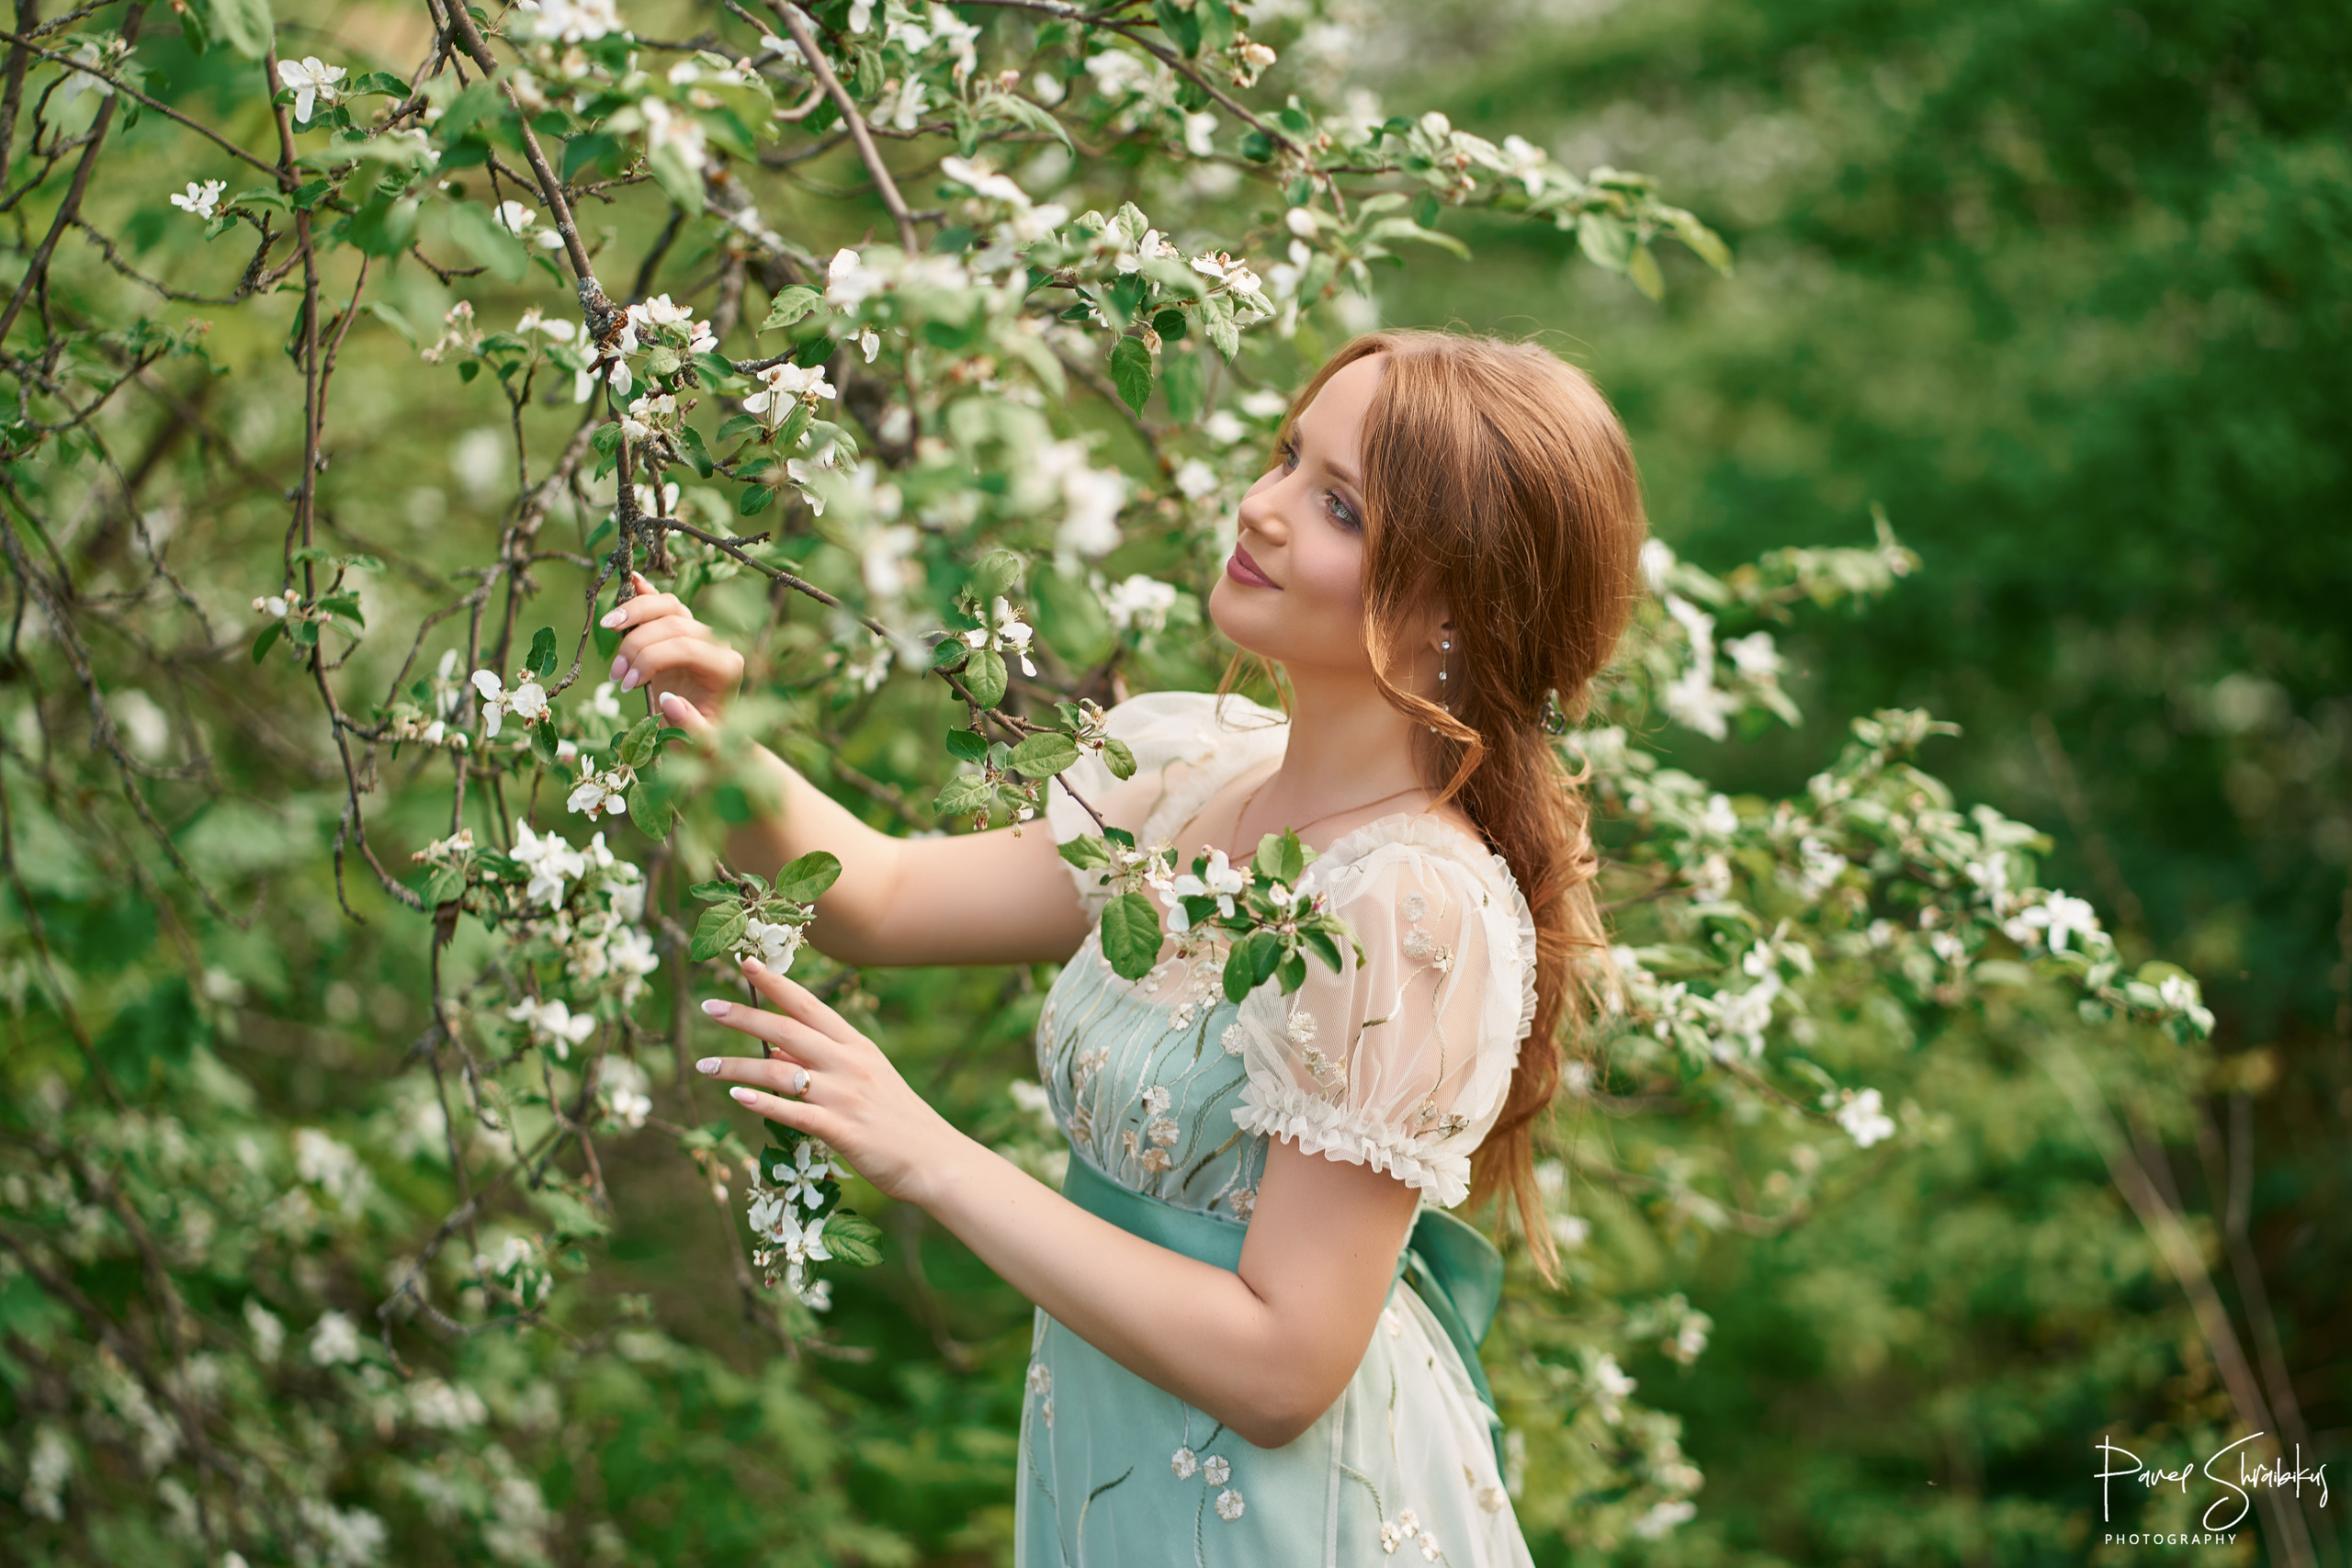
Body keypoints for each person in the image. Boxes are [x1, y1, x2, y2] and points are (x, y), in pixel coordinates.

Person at [608, 330, 1646, 1562]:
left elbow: (1281, 1370)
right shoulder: (1189, 773)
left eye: (1336, 505)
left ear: (1454, 609)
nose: (1257, 509)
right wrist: (719, 738)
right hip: (1116, 1470)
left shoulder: (1407, 908)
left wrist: (930, 1155)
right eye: (1284, 456)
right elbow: (876, 899)